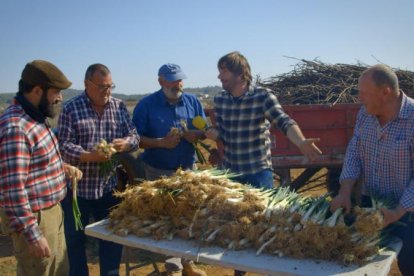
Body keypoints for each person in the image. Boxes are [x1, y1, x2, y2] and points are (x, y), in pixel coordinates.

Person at [205, 52, 322, 276]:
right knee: (238, 227)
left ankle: (270, 271)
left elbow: (284, 121)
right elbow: (224, 133)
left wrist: (301, 142)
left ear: (240, 73)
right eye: (220, 71)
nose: (220, 76)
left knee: (265, 225)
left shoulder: (262, 96)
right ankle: (240, 272)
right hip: (232, 175)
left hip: (258, 174)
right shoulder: (220, 100)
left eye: (224, 71)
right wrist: (214, 133)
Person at [330, 64, 414, 275]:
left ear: (385, 92)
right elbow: (355, 151)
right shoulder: (365, 114)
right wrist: (345, 190)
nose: (360, 98)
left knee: (410, 265)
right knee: (365, 262)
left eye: (364, 93)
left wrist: (397, 212)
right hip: (371, 206)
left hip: (408, 211)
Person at [0, 60, 82, 276]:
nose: (60, 98)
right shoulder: (17, 128)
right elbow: (12, 190)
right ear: (37, 91)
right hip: (36, 218)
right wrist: (32, 234)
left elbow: (32, 165)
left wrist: (62, 168)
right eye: (56, 92)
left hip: (51, 212)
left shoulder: (35, 118)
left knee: (58, 270)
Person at [58, 63, 140, 276]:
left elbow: (134, 135)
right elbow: (64, 145)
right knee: (75, 241)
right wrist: (89, 156)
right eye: (102, 87)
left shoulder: (119, 106)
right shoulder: (71, 108)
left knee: (111, 240)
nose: (107, 92)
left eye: (110, 86)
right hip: (78, 191)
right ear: (87, 84)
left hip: (109, 188)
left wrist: (126, 143)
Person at [132, 63, 207, 276]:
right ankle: (173, 266)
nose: (177, 84)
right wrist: (160, 143)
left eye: (180, 79)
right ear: (160, 82)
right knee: (167, 218)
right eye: (172, 80)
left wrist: (197, 135)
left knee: (189, 216)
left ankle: (188, 264)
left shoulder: (192, 102)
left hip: (188, 170)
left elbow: (204, 129)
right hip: (158, 171)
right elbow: (135, 140)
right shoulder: (146, 105)